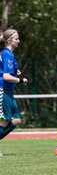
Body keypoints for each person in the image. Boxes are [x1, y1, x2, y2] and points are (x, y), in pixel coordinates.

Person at [0, 29, 28, 157]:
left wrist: (15, 72)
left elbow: (6, 71)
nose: (19, 41)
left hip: (9, 91)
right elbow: (5, 76)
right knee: (5, 119)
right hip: (3, 89)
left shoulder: (7, 54)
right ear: (9, 40)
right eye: (16, 38)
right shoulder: (8, 54)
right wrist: (20, 80)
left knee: (16, 120)